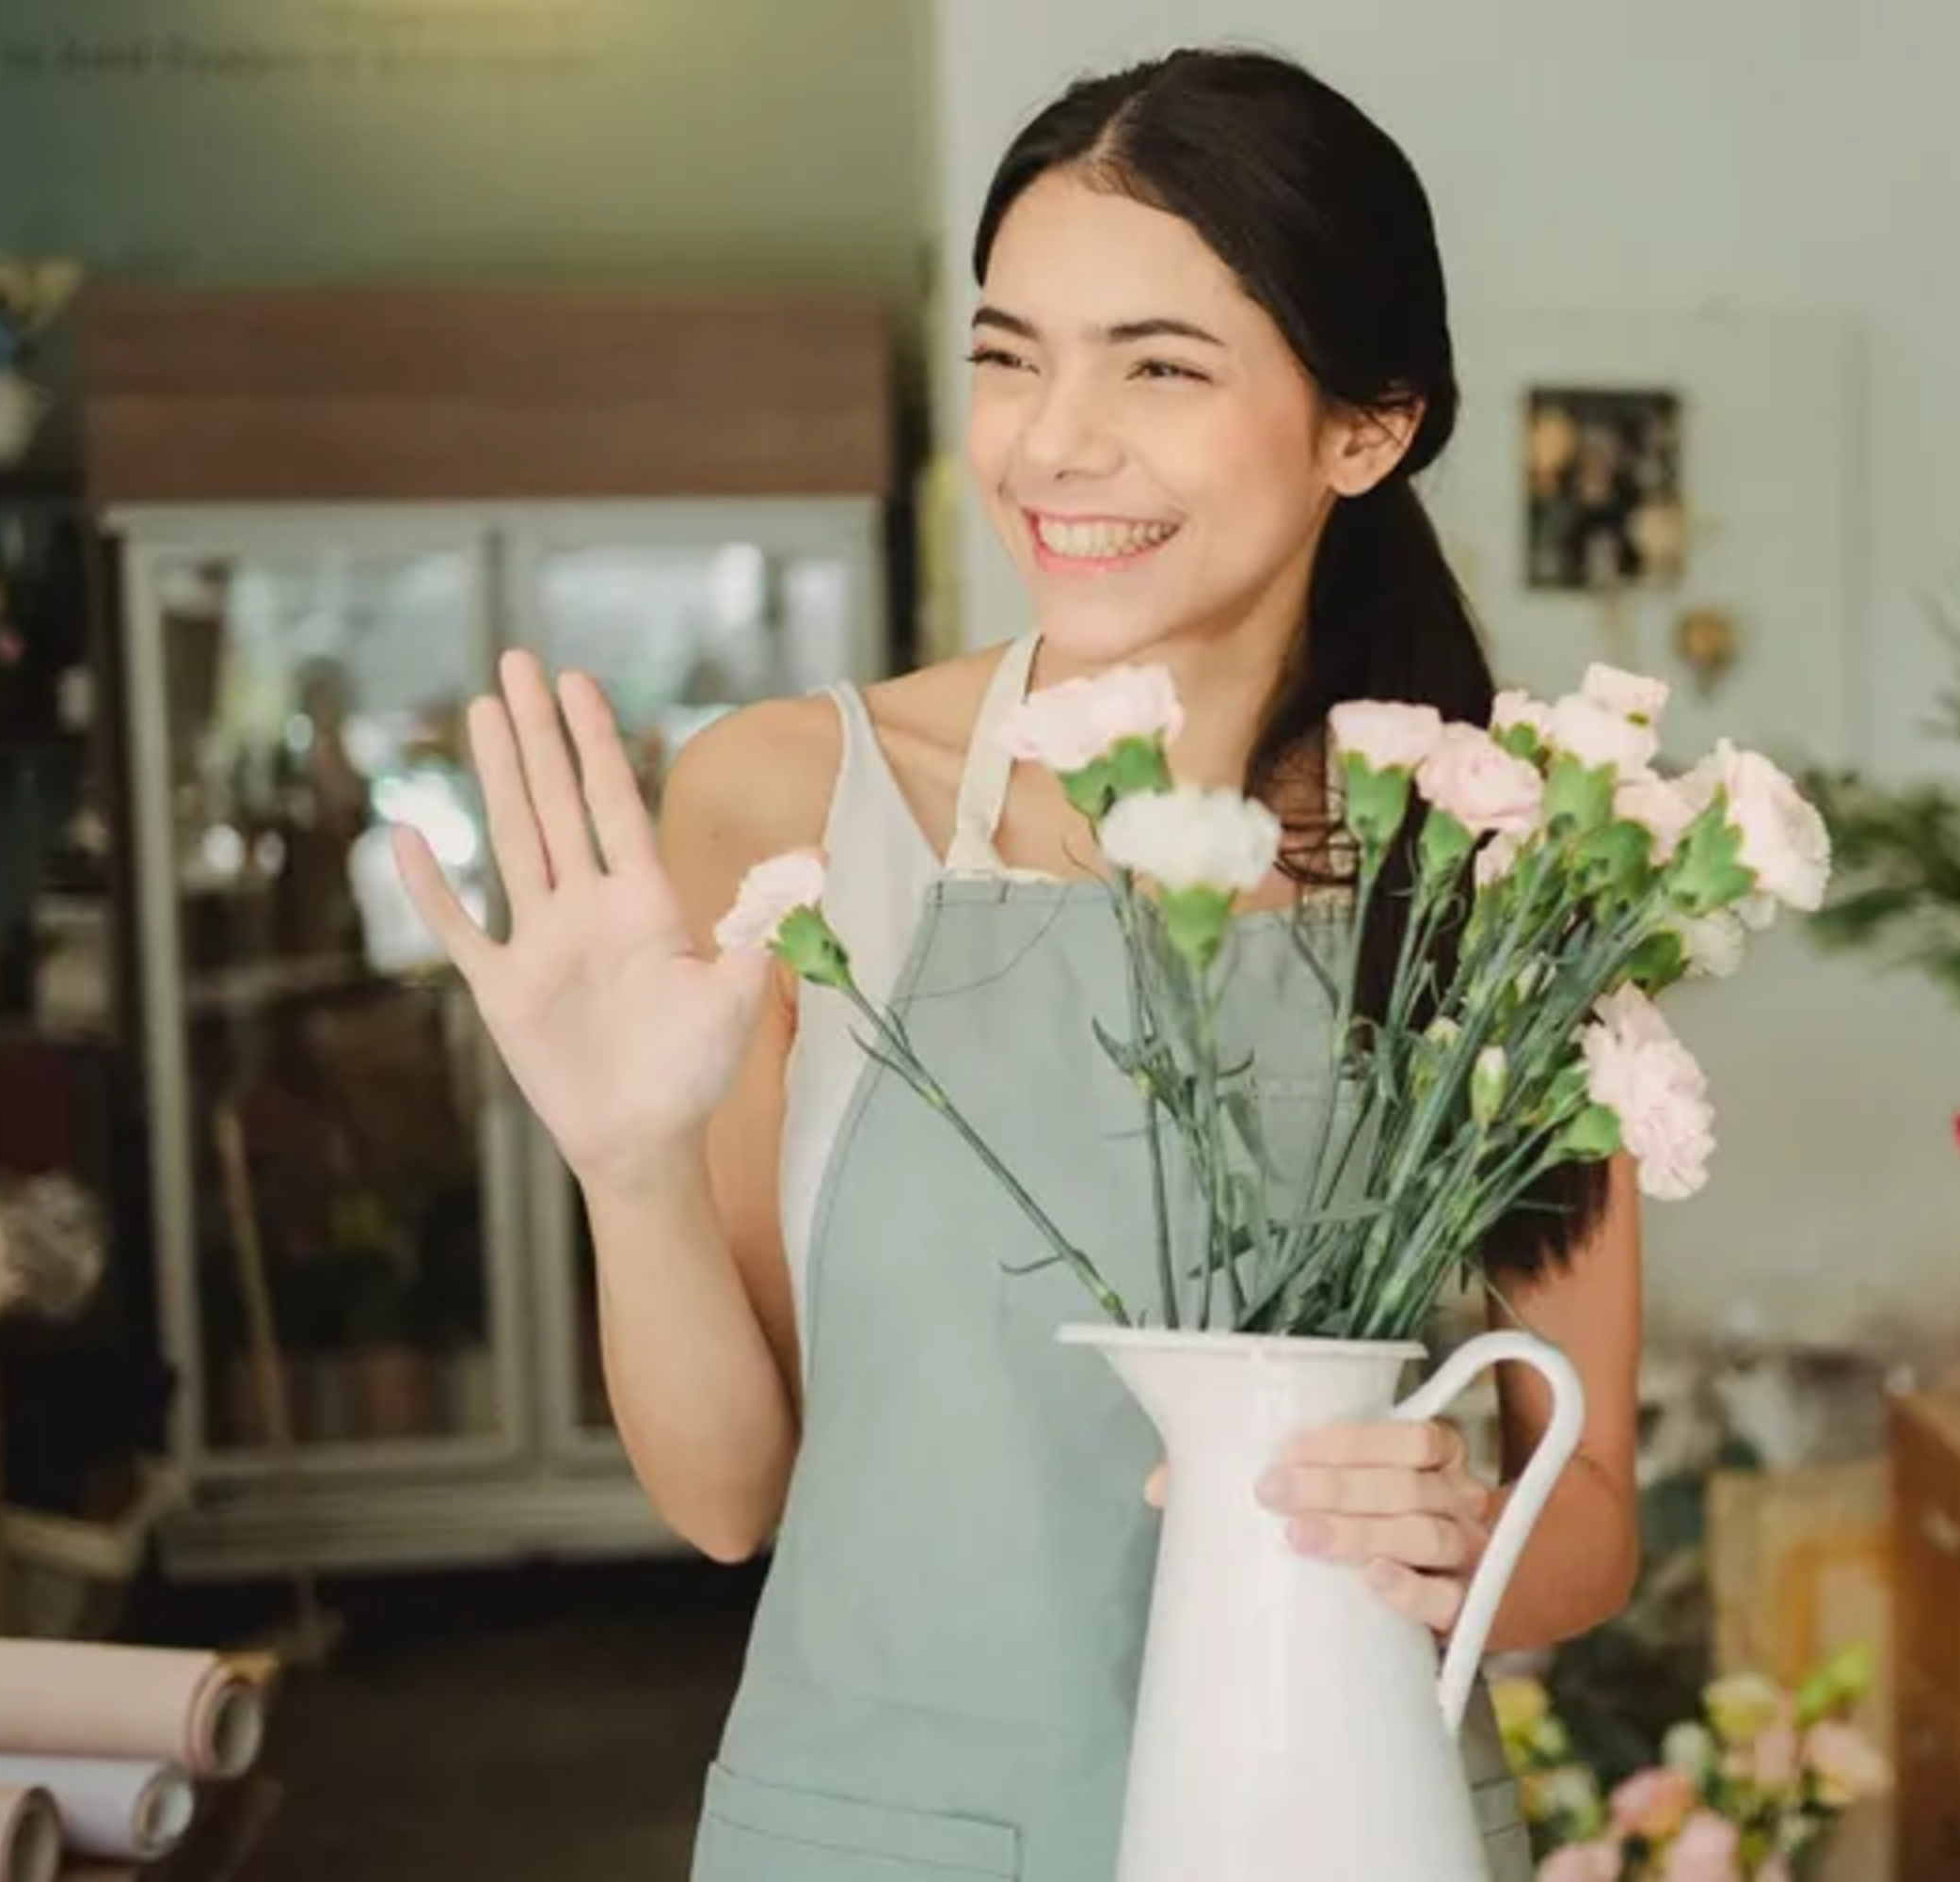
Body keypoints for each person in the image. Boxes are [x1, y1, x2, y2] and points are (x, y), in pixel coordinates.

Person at [392, 47, 1642, 1880]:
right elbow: (728, 1496)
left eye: (1159, 363)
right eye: (1007, 353)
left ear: (1366, 428)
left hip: (1344, 1829)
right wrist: (629, 1168)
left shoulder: (1502, 859)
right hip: (872, 1838)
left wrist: (1459, 1521)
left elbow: (1590, 1511)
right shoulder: (796, 800)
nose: (1054, 438)